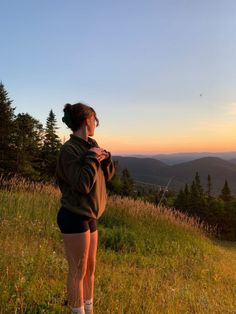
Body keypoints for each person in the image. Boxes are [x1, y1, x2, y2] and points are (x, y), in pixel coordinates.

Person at [56, 102, 115, 314]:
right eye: (95, 119)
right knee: (77, 271)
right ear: (86, 120)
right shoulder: (68, 150)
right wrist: (92, 158)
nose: (96, 124)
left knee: (90, 269)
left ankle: (89, 310)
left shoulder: (92, 144)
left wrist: (106, 159)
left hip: (90, 215)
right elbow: (82, 184)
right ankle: (77, 311)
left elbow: (106, 177)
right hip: (74, 215)